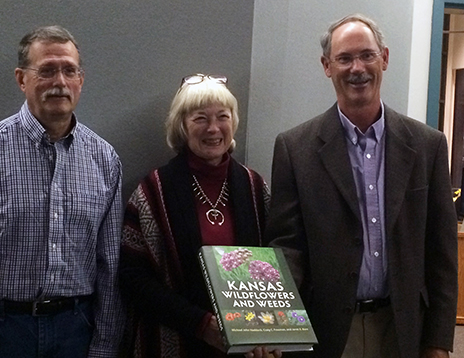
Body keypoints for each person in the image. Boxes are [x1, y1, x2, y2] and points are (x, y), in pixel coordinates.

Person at [265, 13, 458, 358]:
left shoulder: (428, 146)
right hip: (328, 333)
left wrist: (439, 341)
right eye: (344, 58)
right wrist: (275, 322)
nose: (357, 68)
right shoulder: (295, 149)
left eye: (367, 54)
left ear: (384, 58)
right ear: (327, 66)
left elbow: (441, 253)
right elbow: (287, 247)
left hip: (402, 330)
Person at [0, 25, 124, 358]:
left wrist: (103, 345)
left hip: (75, 330)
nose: (60, 82)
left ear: (81, 80)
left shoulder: (104, 159)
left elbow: (109, 266)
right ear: (21, 79)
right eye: (47, 70)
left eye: (69, 70)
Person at [120, 74, 281, 358]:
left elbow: (276, 269)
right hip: (175, 343)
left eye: (223, 116)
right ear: (182, 125)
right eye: (200, 118)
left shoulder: (256, 187)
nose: (214, 128)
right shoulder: (153, 191)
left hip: (247, 349)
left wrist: (272, 335)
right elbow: (132, 279)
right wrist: (201, 324)